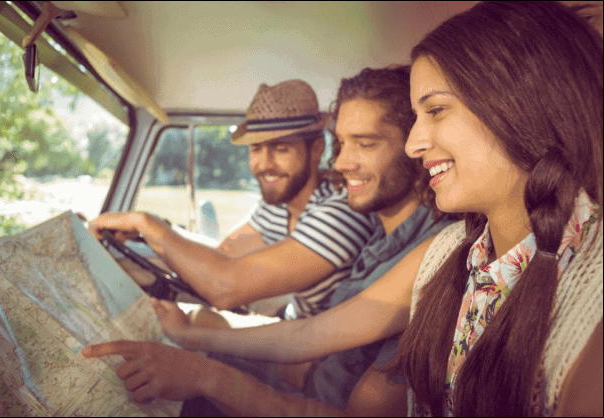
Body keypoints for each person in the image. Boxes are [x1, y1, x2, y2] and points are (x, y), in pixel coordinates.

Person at [83, 65, 455, 416]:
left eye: (366, 143)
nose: (342, 163)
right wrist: (188, 329)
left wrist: (201, 367)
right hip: (303, 364)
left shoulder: (373, 224)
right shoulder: (379, 230)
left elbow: (228, 286)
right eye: (342, 143)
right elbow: (224, 257)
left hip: (307, 386)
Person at [89, 79, 375, 319]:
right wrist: (156, 233)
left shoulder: (340, 211)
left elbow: (225, 287)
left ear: (317, 149)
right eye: (256, 149)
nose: (264, 164)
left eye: (281, 148)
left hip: (319, 358)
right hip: (292, 322)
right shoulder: (278, 206)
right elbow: (225, 254)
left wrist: (145, 224)